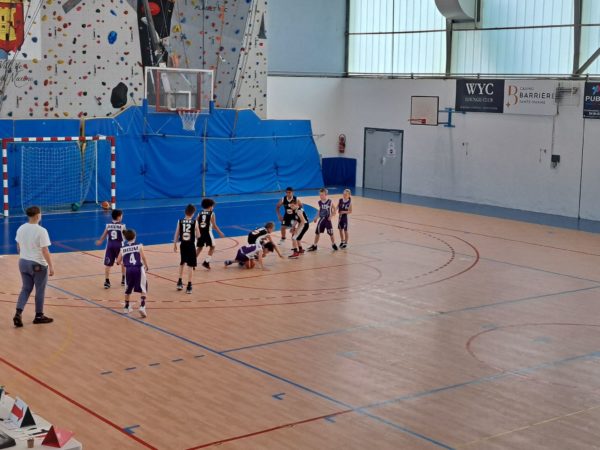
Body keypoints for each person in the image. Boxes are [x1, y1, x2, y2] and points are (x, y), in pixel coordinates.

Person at [13, 206, 54, 327]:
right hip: (37, 264)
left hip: (23, 262)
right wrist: (51, 266)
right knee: (40, 290)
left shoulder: (21, 228)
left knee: (26, 288)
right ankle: (39, 316)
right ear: (37, 216)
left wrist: (25, 256)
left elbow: (18, 247)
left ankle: (18, 313)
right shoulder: (41, 231)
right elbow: (45, 250)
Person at [117, 229, 149, 318]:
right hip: (138, 269)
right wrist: (146, 265)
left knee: (128, 289)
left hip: (129, 270)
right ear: (135, 236)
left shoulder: (123, 248)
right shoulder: (139, 245)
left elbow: (118, 261)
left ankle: (126, 307)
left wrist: (124, 262)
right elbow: (143, 257)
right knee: (143, 288)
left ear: (126, 238)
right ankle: (142, 306)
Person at [95, 208, 126, 289]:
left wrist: (100, 241)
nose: (122, 217)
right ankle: (123, 279)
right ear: (118, 217)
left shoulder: (108, 225)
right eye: (121, 216)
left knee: (108, 265)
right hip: (119, 246)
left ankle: (107, 281)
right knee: (123, 263)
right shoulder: (122, 226)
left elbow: (104, 235)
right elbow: (125, 237)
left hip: (110, 246)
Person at [173, 204, 200, 294]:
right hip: (191, 246)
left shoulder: (180, 221)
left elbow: (176, 234)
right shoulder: (195, 222)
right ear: (193, 213)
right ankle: (189, 285)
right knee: (190, 266)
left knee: (182, 262)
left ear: (185, 212)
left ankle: (179, 282)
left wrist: (174, 244)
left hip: (183, 245)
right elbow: (198, 235)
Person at [196, 198, 225, 269]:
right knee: (212, 247)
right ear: (210, 206)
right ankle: (206, 262)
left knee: (200, 247)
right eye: (213, 206)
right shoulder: (212, 213)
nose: (213, 207)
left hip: (200, 233)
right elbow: (214, 225)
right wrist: (220, 232)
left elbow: (195, 223)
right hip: (207, 233)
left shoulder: (200, 213)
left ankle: (192, 262)